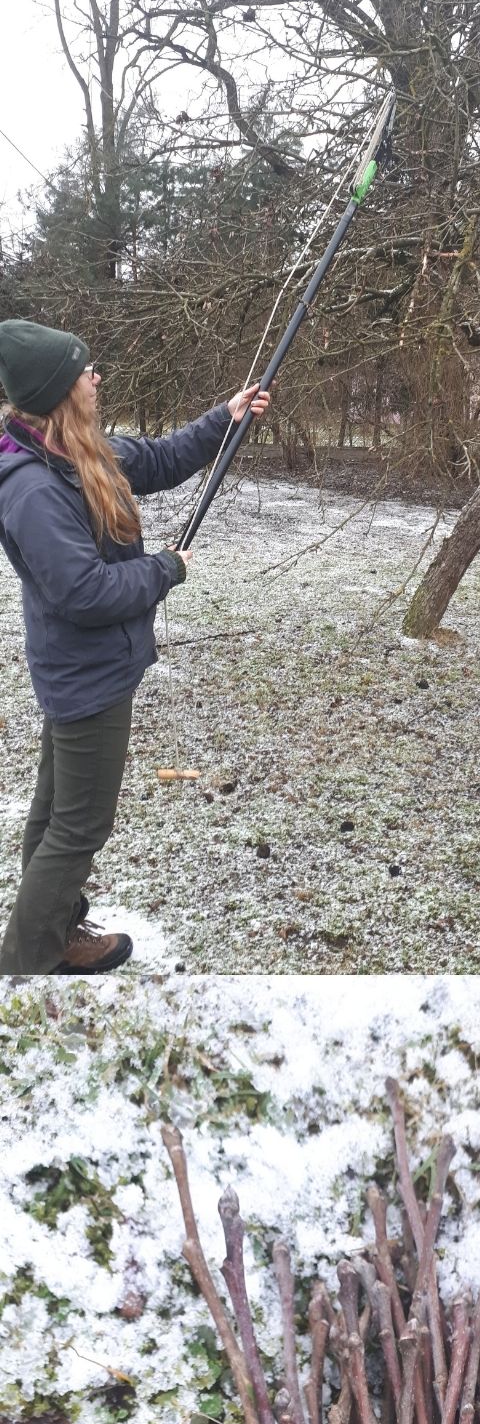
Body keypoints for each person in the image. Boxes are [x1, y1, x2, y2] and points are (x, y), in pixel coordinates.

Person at [0, 320, 269, 973]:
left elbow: (159, 458)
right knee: (78, 826)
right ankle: (26, 968)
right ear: (61, 390)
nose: (95, 377)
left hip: (88, 671)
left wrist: (224, 419)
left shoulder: (74, 451)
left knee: (55, 812)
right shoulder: (32, 486)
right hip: (86, 675)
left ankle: (54, 931)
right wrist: (165, 569)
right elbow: (85, 592)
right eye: (84, 371)